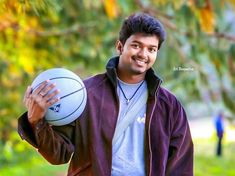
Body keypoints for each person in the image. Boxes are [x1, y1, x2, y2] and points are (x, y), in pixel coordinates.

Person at [18, 13, 194, 176]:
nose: (143, 54)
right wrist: (36, 121)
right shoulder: (85, 94)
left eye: (151, 49)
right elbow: (59, 155)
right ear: (120, 46)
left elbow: (181, 164)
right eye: (136, 45)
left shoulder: (168, 105)